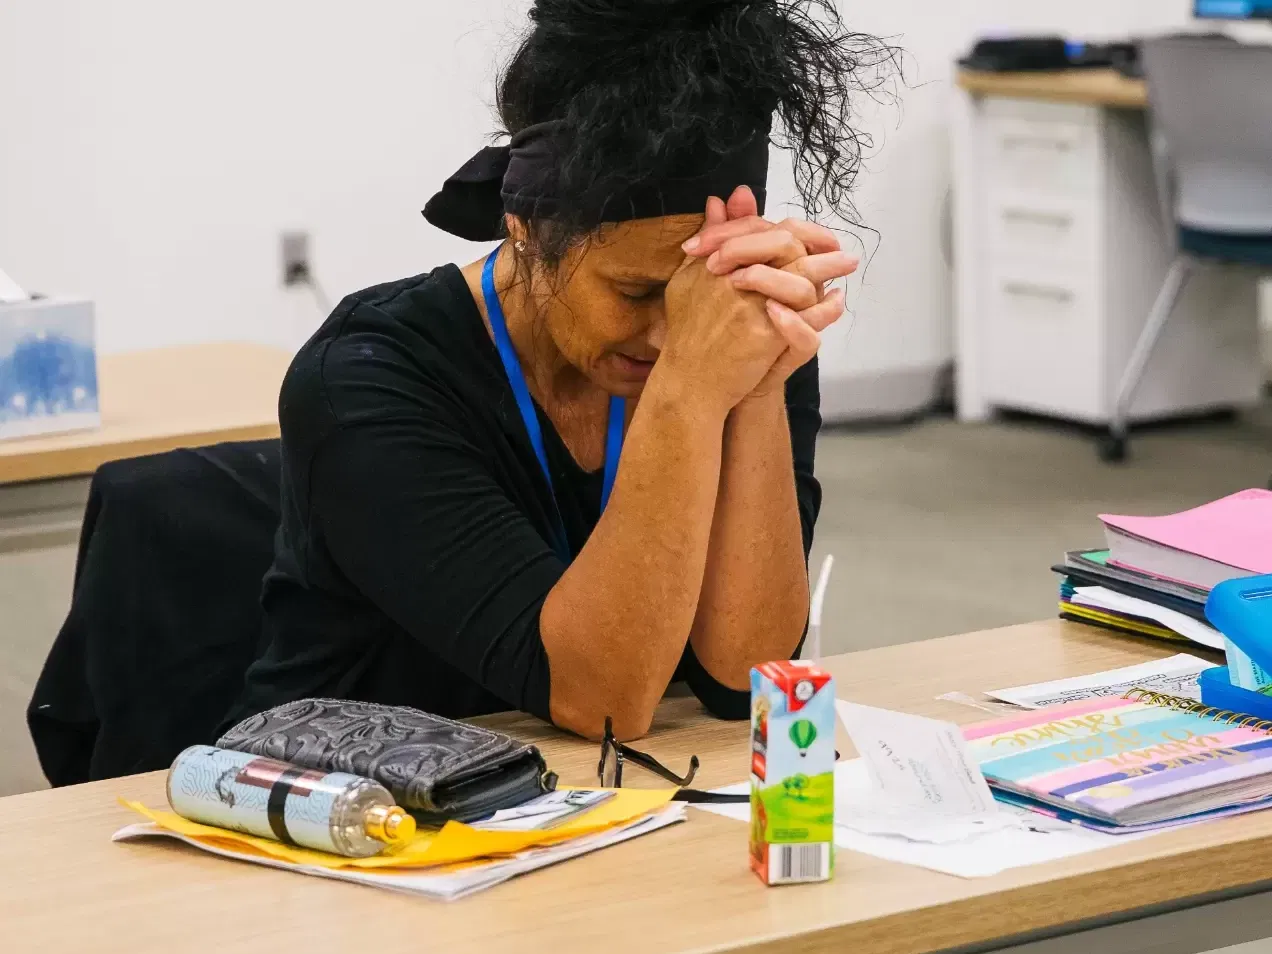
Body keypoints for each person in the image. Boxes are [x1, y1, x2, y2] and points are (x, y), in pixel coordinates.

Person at [222, 0, 893, 742]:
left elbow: (750, 679)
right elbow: (601, 703)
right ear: (525, 229)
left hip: (589, 805)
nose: (674, 336)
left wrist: (758, 386)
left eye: (699, 297)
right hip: (358, 810)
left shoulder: (732, 326)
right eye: (635, 292)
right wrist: (691, 396)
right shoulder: (364, 378)